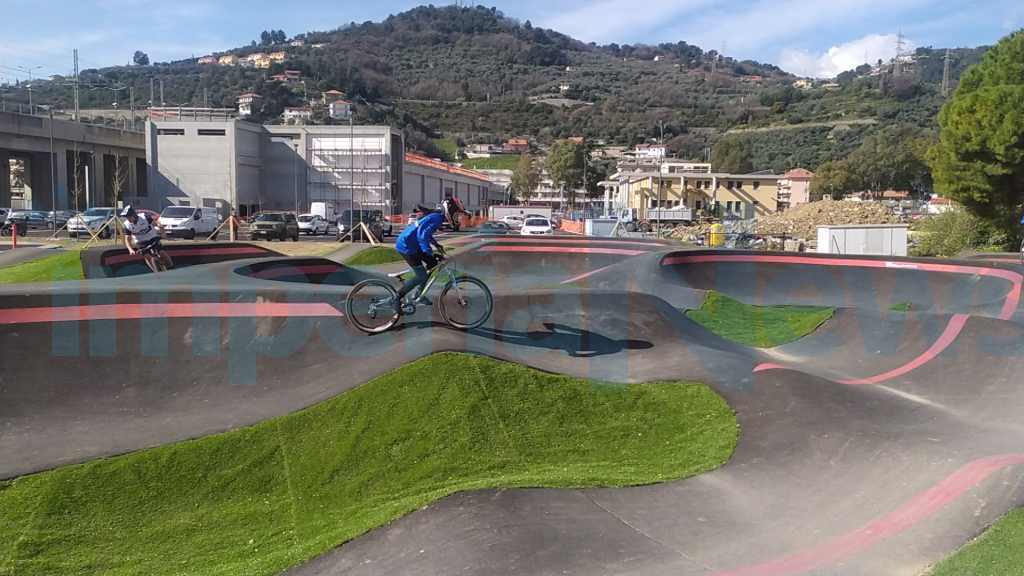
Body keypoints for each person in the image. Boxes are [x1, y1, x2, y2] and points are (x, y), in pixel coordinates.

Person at [393, 202, 460, 314]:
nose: (456, 218)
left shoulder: (437, 217)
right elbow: (422, 235)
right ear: (449, 212)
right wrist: (428, 252)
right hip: (406, 246)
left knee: (433, 263)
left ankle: (419, 293)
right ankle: (397, 296)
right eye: (456, 214)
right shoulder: (437, 218)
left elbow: (427, 234)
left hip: (412, 244)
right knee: (421, 275)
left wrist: (436, 245)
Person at [121, 205, 173, 273]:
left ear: (134, 215)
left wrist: (162, 232)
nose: (128, 219)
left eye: (129, 217)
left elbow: (157, 224)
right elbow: (127, 239)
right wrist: (130, 249)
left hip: (152, 237)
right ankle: (155, 271)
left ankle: (171, 266)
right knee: (147, 256)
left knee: (161, 252)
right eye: (127, 217)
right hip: (140, 241)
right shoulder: (126, 225)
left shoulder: (144, 217)